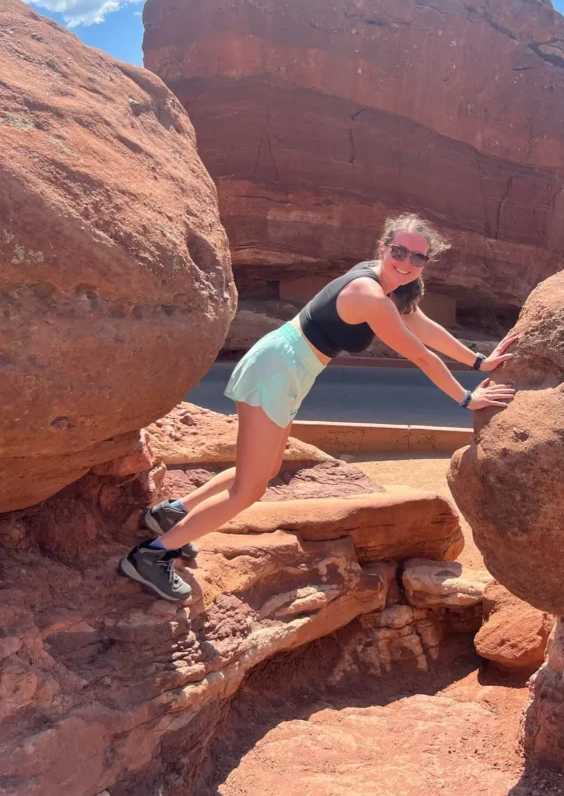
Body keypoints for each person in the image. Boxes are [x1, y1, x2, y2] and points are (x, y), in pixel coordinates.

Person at [119, 213, 517, 602]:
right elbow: (422, 356)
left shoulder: (386, 282)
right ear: (383, 248)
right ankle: (153, 554)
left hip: (290, 369)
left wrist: (478, 362)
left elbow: (423, 326)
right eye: (400, 251)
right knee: (249, 490)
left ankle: (173, 513)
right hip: (277, 369)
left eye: (418, 257)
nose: (407, 262)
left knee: (264, 469)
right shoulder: (369, 294)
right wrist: (467, 399)